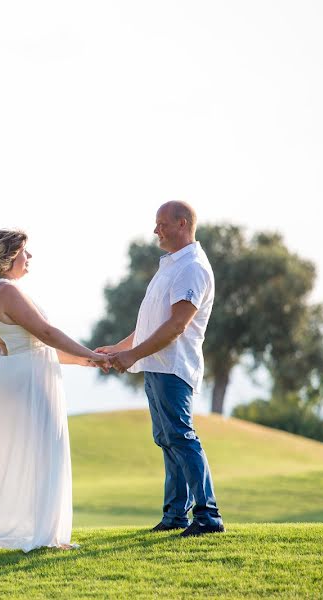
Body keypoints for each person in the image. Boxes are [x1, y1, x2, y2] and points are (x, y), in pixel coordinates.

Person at [0, 229, 110, 552]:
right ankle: (46, 537)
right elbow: (46, 333)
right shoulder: (6, 292)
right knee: (44, 450)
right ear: (10, 256)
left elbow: (34, 346)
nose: (30, 258)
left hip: (21, 374)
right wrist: (91, 353)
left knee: (35, 451)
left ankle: (44, 531)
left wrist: (86, 363)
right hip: (27, 381)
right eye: (25, 252)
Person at [97, 201, 224, 537]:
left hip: (173, 367)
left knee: (182, 438)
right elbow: (153, 322)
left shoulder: (192, 267)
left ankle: (208, 518)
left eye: (161, 224)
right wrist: (120, 349)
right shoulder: (171, 266)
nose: (156, 231)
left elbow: (177, 326)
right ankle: (175, 516)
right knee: (168, 441)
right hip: (156, 366)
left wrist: (132, 355)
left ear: (182, 224)